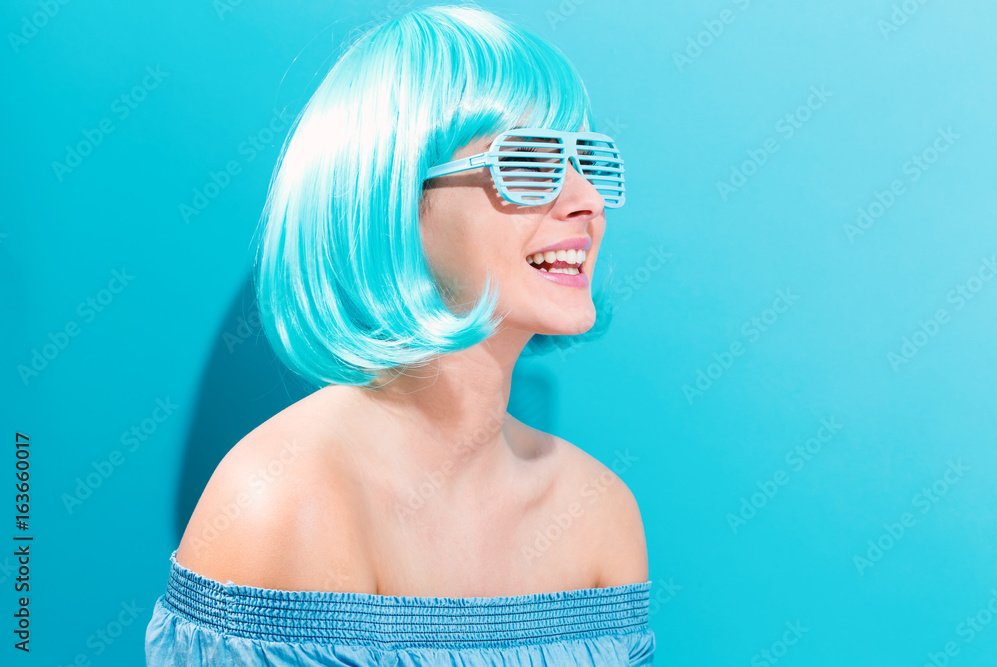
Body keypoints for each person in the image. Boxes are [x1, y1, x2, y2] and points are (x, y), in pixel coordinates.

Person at [145, 4, 655, 665]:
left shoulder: (601, 512)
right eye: (528, 162)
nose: (585, 198)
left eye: (588, 159)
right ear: (394, 203)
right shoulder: (280, 500)